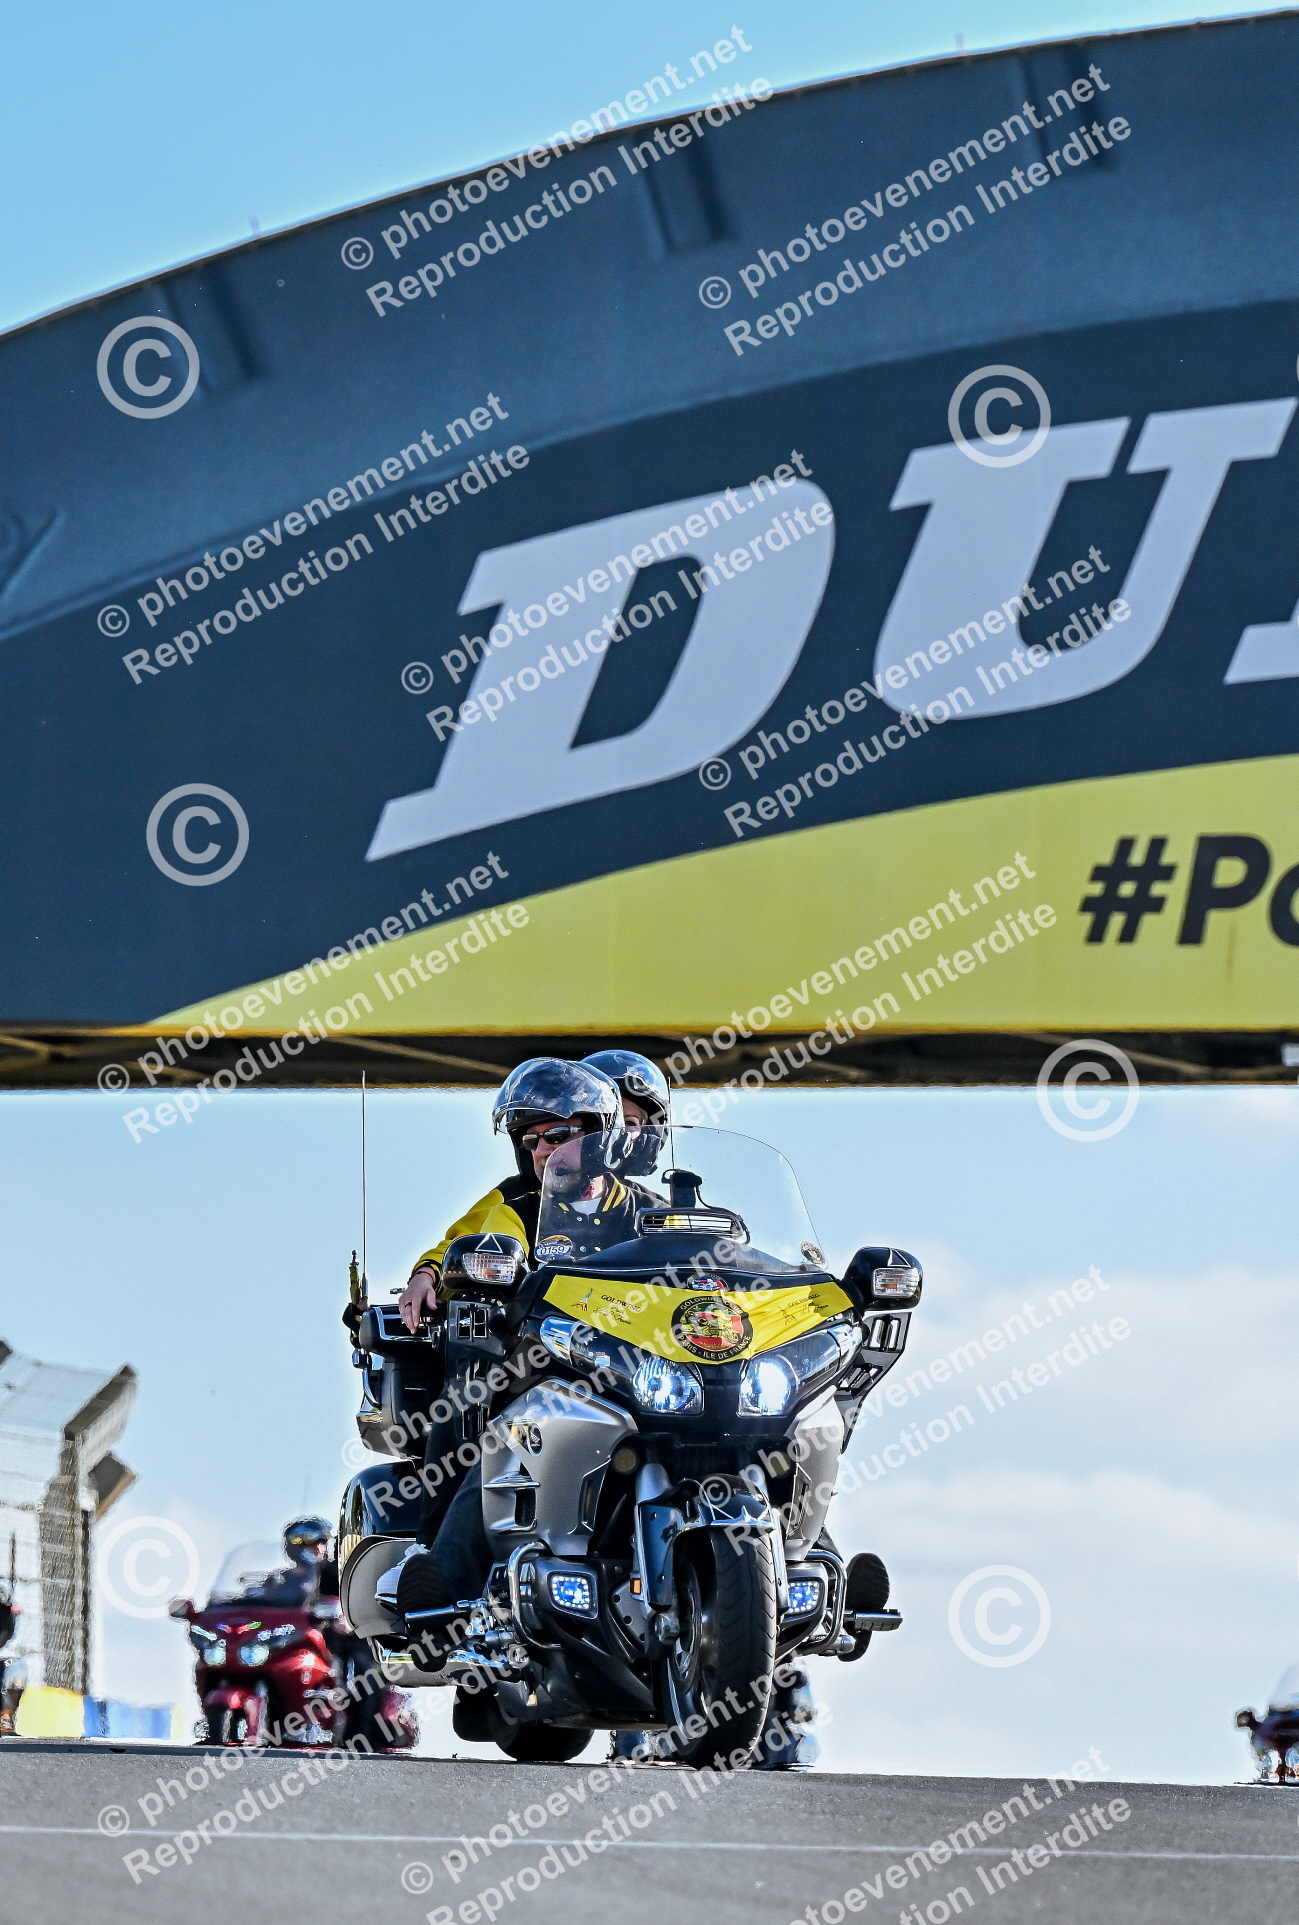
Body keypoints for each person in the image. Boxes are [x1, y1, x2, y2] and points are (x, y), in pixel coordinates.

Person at [383, 1059, 635, 1624]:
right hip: (555, 1368)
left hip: (643, 1368)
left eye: (559, 1134)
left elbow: (720, 1261)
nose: (543, 1149)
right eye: (531, 1139)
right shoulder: (515, 1207)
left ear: (602, 1135)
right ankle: (442, 1570)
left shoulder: (651, 1209)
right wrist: (429, 1274)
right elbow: (465, 1243)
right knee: (490, 1416)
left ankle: (803, 1552)